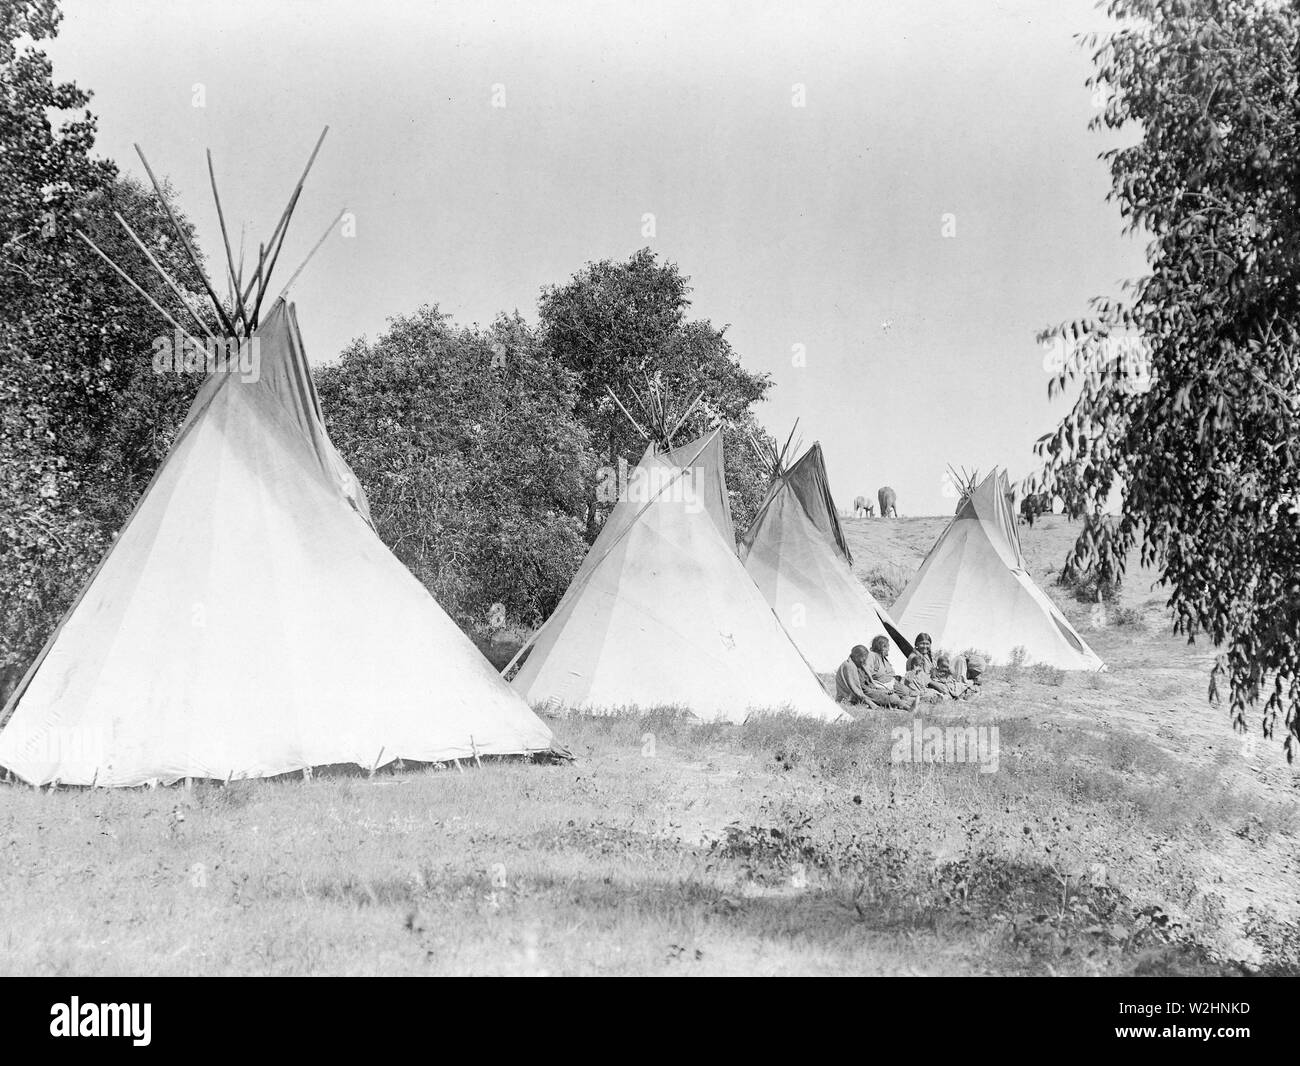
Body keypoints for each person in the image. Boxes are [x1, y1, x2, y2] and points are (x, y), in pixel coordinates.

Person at [835, 643, 915, 711]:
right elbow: (856, 690)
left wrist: (882, 690)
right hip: (860, 694)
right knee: (891, 697)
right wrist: (872, 704)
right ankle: (908, 708)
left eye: (865, 657)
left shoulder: (858, 664)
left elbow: (869, 683)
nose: (864, 660)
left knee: (891, 693)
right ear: (856, 656)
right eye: (863, 657)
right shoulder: (849, 666)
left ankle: (907, 705)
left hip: (867, 690)